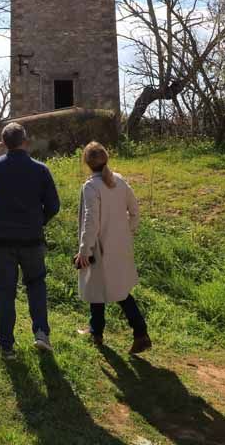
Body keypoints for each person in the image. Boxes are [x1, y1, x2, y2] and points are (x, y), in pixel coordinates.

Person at [0, 121, 61, 358]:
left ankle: (6, 345)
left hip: (2, 240)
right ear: (25, 141)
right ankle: (41, 333)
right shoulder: (41, 170)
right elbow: (54, 206)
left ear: (6, 143)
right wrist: (39, 221)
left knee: (5, 291)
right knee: (36, 285)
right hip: (32, 239)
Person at [73, 141, 152, 354]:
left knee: (108, 289)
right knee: (106, 288)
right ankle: (98, 331)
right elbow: (135, 212)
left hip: (100, 246)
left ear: (86, 163)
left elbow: (91, 221)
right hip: (119, 245)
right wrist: (126, 232)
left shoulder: (91, 186)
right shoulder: (120, 181)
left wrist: (84, 249)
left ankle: (139, 332)